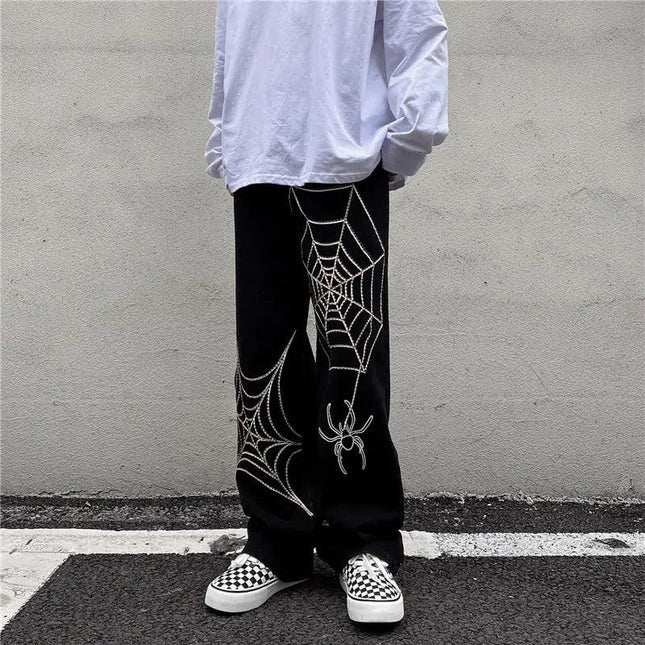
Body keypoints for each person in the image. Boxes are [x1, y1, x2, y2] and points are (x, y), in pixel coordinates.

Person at [203, 0, 448, 625]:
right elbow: (234, 43)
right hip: (258, 157)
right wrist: (226, 139)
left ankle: (364, 543)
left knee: (353, 357)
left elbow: (417, 31)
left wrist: (407, 140)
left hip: (346, 155)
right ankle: (276, 543)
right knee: (263, 355)